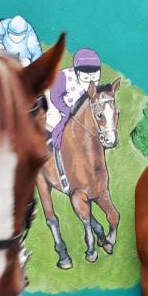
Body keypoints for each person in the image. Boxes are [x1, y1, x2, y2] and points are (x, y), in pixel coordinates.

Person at [45, 48, 103, 190]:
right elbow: (55, 97)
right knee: (60, 126)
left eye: (94, 75)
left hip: (78, 111)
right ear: (77, 72)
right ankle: (58, 153)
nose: (91, 79)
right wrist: (67, 111)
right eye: (86, 76)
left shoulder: (95, 83)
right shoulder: (63, 78)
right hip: (59, 106)